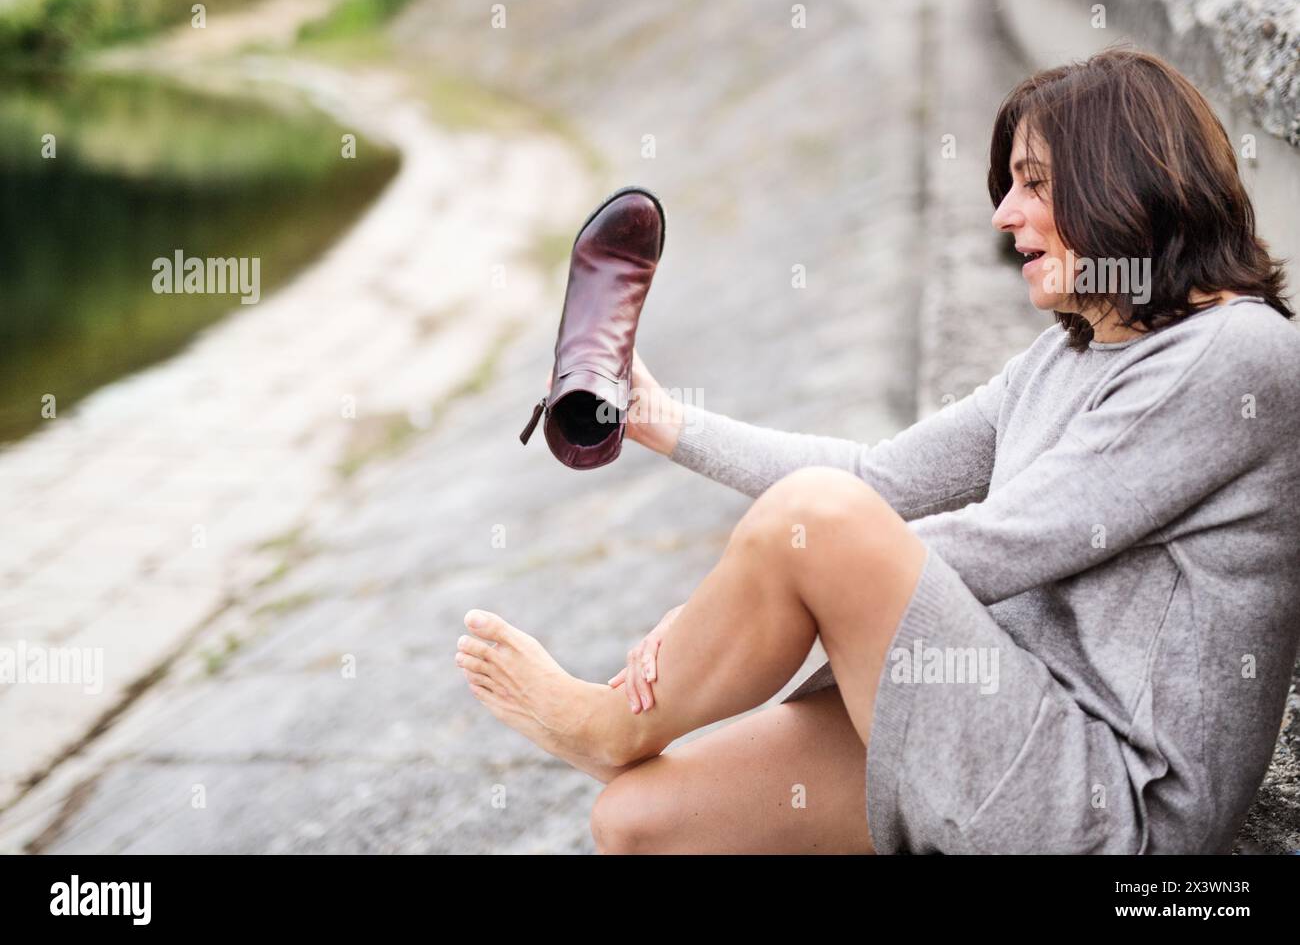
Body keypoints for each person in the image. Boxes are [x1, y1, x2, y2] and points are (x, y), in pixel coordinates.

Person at [455, 47, 1300, 854]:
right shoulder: (1064, 356)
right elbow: (876, 479)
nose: (1004, 215)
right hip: (995, 706)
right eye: (1007, 186)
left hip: (1111, 800)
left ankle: (605, 724)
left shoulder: (1236, 354)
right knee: (639, 821)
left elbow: (1003, 540)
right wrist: (662, 418)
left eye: (1034, 185)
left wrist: (741, 593)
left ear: (1126, 185)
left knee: (810, 523)